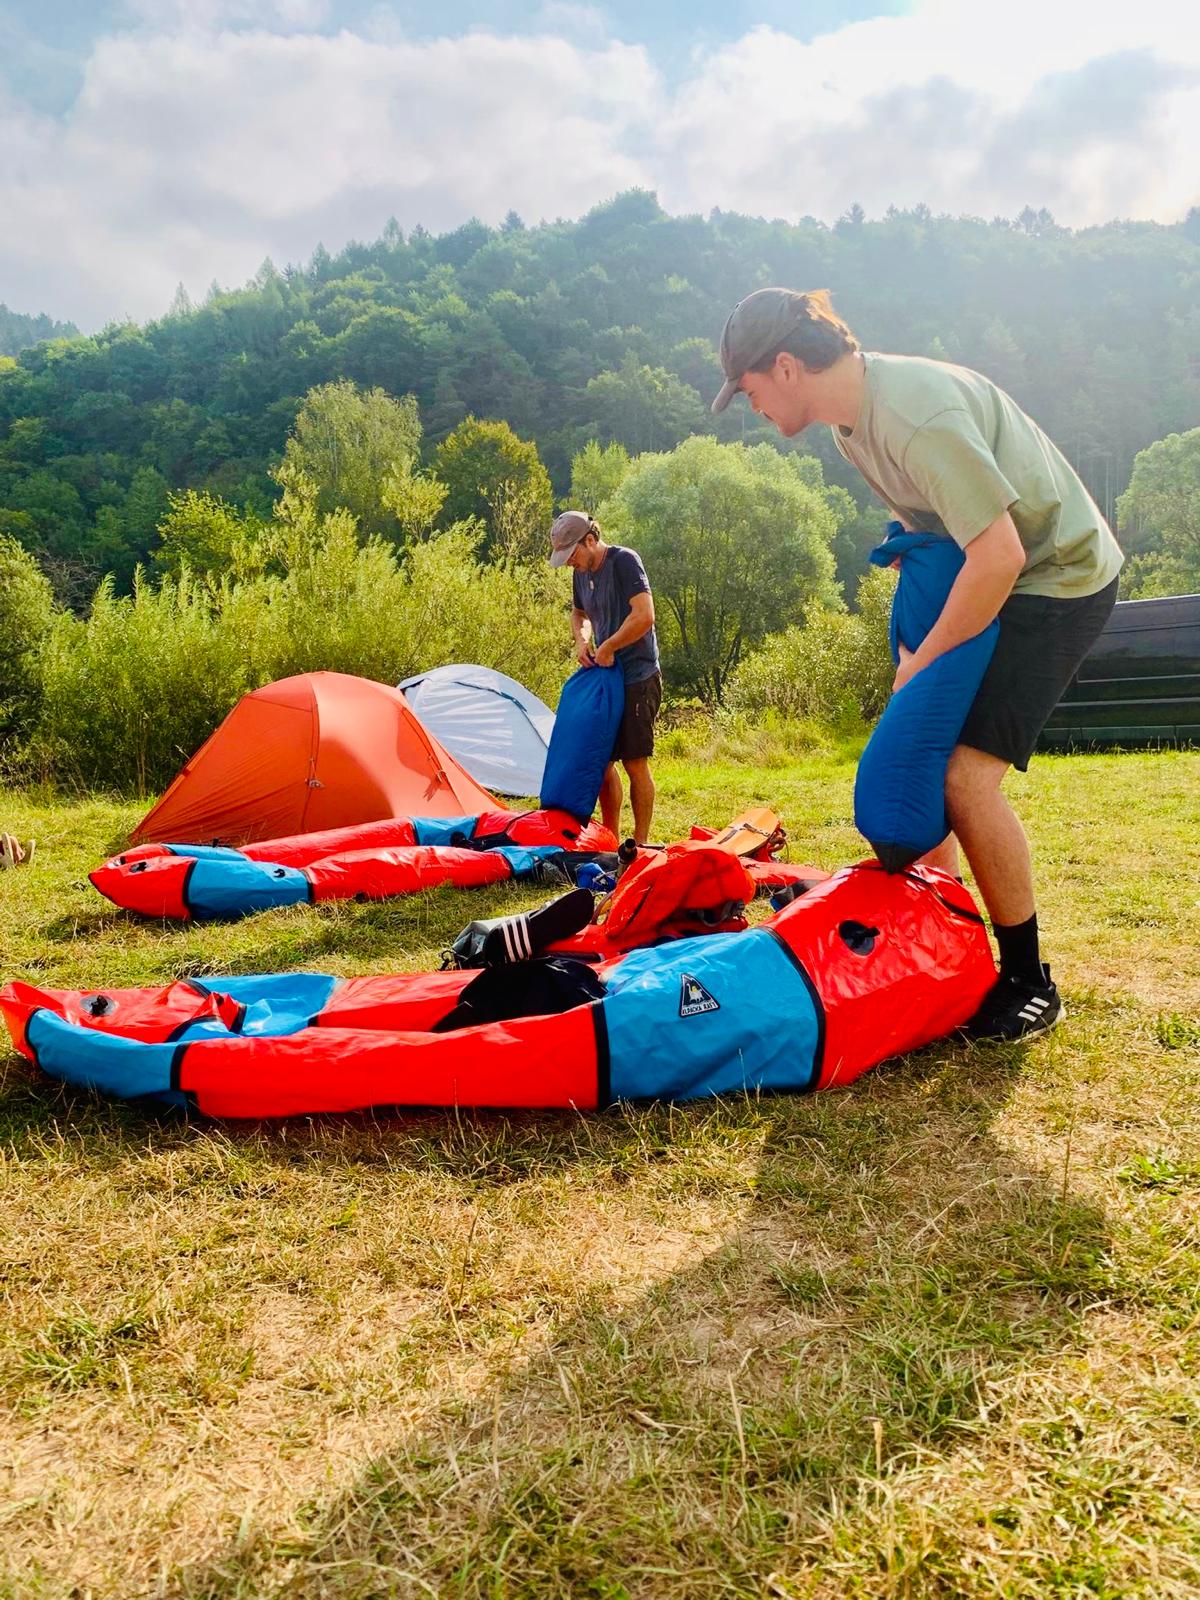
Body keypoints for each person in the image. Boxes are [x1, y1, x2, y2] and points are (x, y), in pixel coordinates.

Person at [711, 287, 1123, 1040]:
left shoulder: (914, 415)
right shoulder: (851, 427)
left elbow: (998, 554)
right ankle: (946, 946)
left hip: (1057, 578)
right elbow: (920, 522)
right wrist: (915, 625)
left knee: (965, 778)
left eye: (749, 390)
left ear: (786, 366)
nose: (753, 406)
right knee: (926, 758)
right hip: (999, 569)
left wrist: (921, 664)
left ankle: (1030, 981)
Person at [548, 511, 662, 846]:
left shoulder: (625, 562)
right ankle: (611, 841)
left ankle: (639, 846)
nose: (571, 563)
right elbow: (579, 613)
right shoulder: (581, 573)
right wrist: (583, 641)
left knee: (634, 762)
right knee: (601, 761)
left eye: (573, 555)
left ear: (591, 540)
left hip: (638, 675)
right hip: (605, 678)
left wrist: (610, 644)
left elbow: (644, 616)